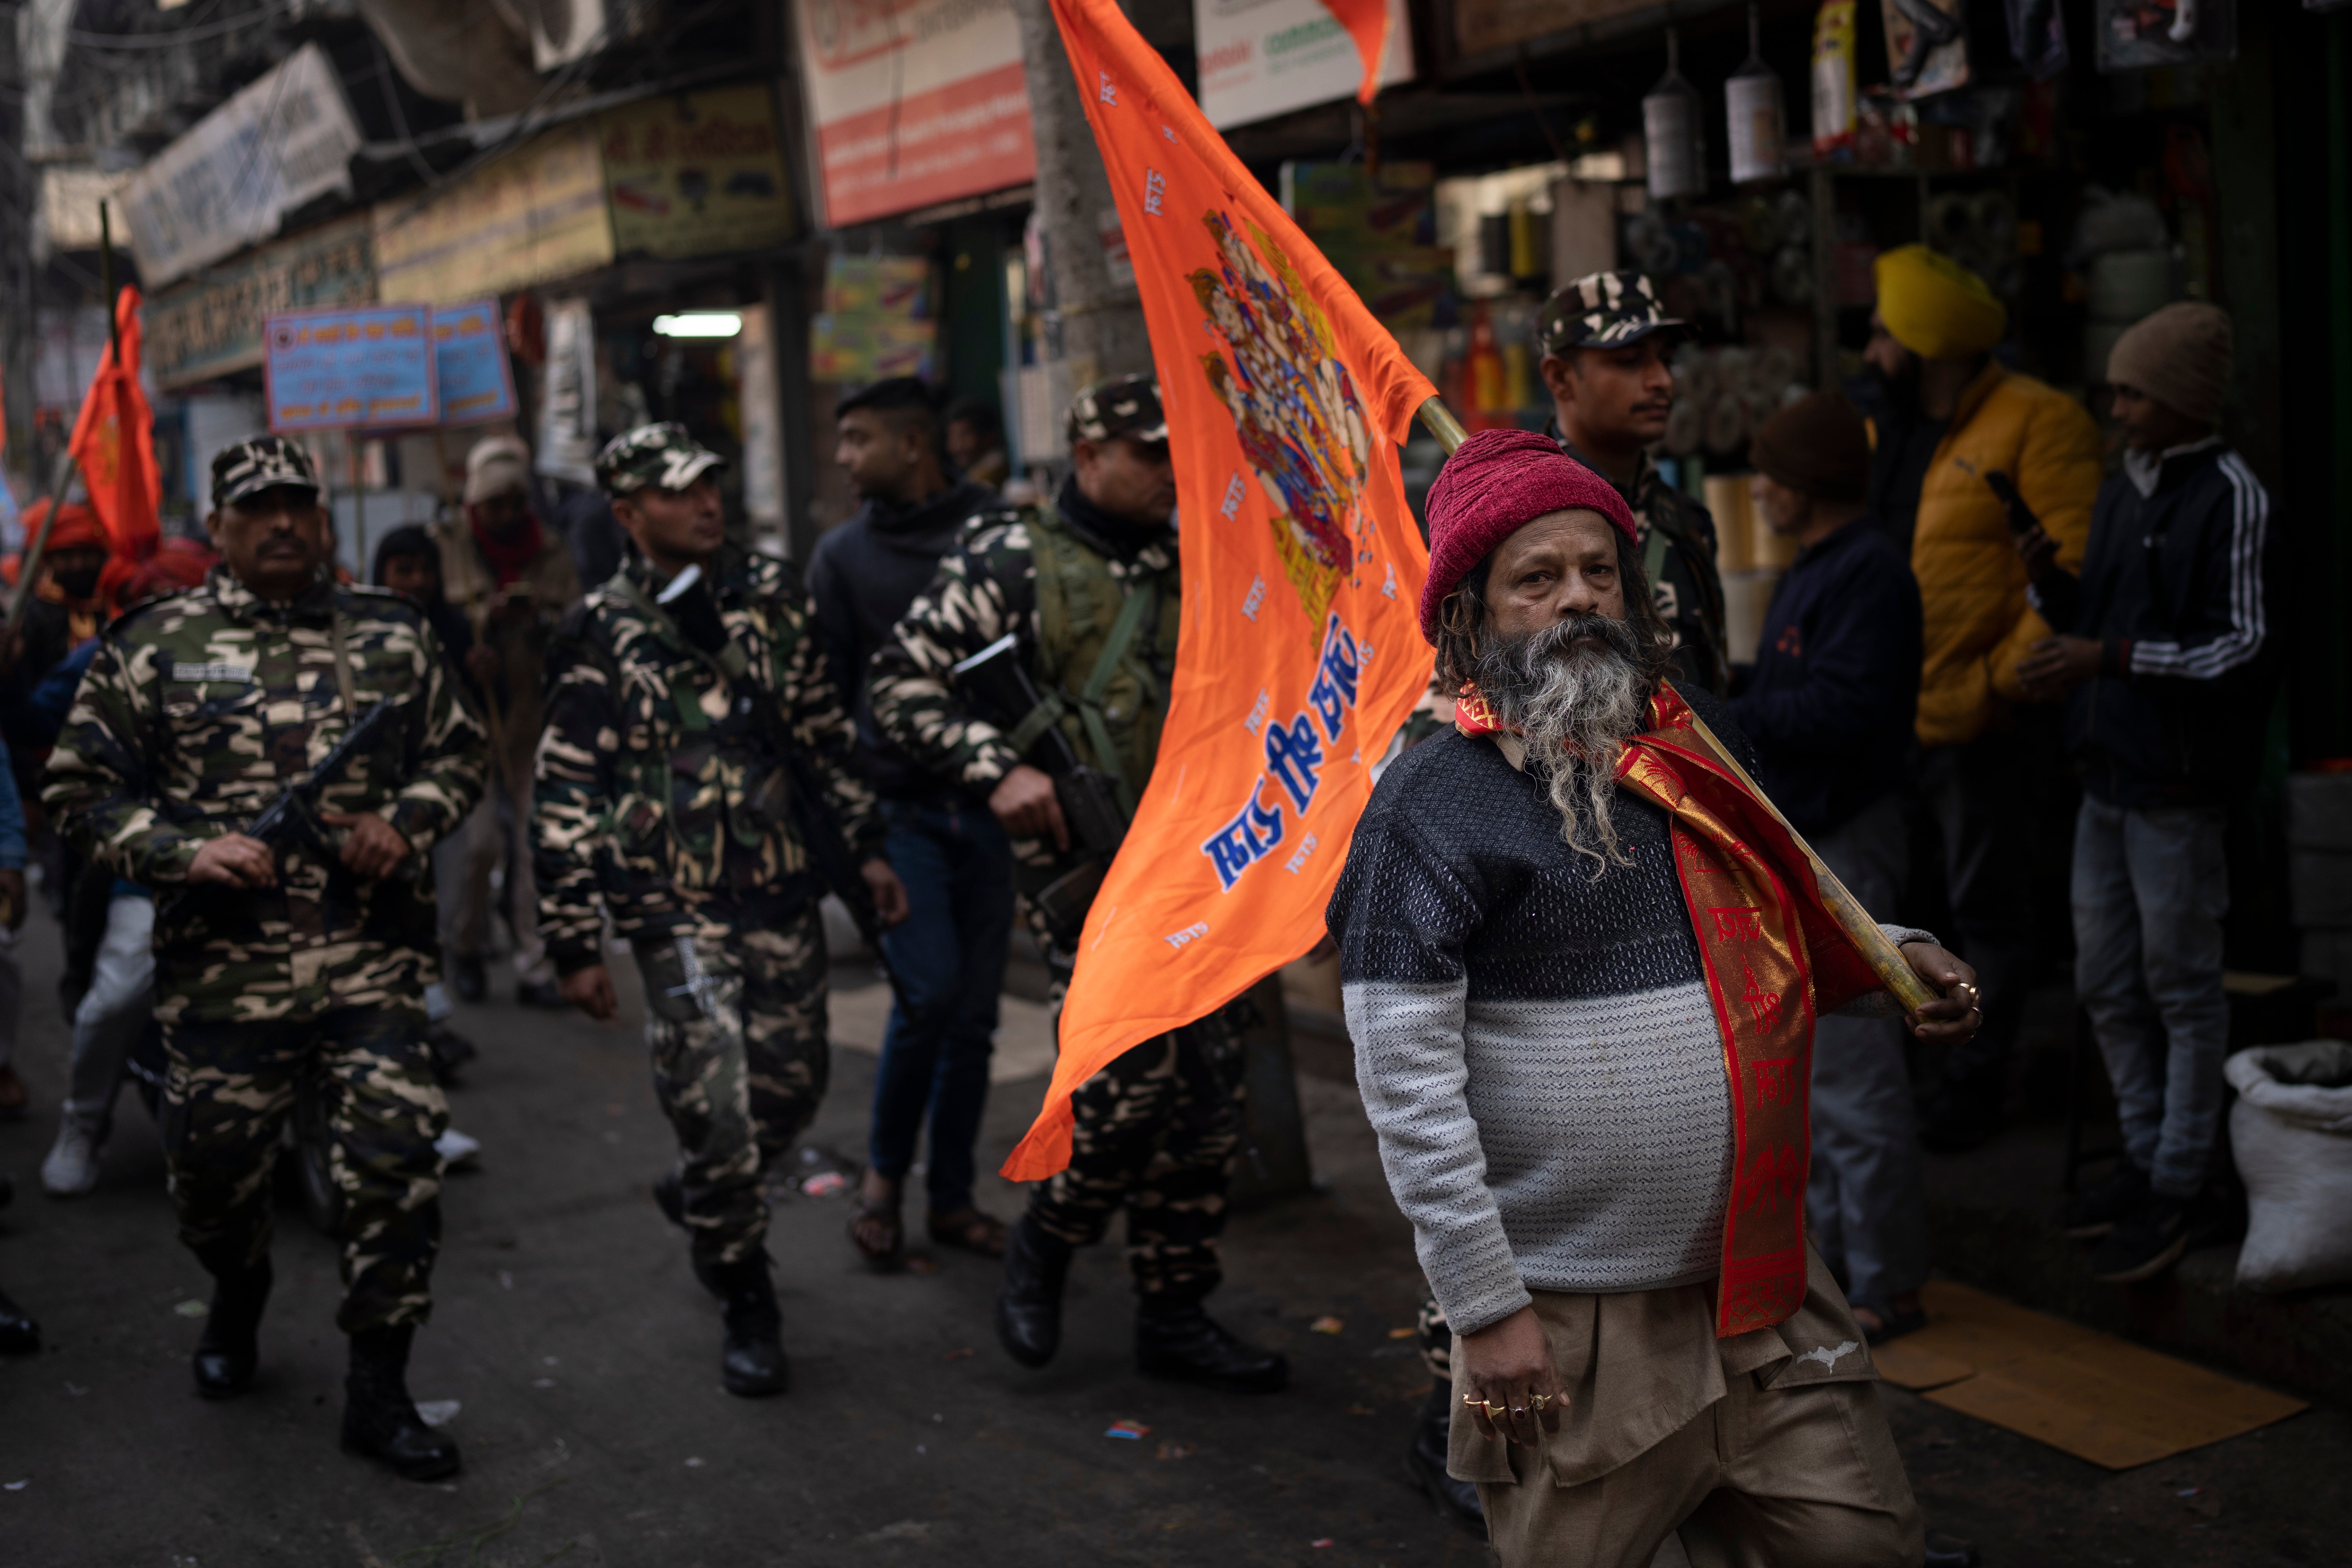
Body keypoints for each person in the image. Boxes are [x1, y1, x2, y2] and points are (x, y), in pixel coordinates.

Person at [1331, 428, 1983, 1567]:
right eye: (1536, 579)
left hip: (1766, 1288)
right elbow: (1407, 1088)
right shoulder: (1427, 806)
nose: (1577, 599)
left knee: (1868, 1547)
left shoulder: (1686, 747)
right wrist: (1488, 1311)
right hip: (1571, 1328)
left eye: (1597, 570)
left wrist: (1894, 959)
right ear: (1474, 616)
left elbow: (1781, 917)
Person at [43, 436, 486, 1480]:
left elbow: (460, 753)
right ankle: (236, 1291)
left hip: (369, 963)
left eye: (299, 505)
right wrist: (183, 849)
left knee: (394, 1170)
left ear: (324, 519)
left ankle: (378, 1388)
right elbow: (77, 790)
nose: (283, 522)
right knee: (213, 1184)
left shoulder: (394, 633)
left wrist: (406, 821)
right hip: (223, 976)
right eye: (258, 509)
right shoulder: (154, 643)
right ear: (222, 527)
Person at [870, 375, 1288, 1394]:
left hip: (1202, 867)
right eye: (1145, 455)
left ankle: (1174, 1309)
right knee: (1120, 1094)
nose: (1162, 474)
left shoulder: (1199, 559)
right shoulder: (1011, 558)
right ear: (1086, 454)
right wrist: (995, 765)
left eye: (1169, 455)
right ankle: (1046, 1239)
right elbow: (896, 681)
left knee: (1208, 1105)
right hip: (1091, 877)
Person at [534, 422, 909, 1398]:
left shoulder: (772, 596)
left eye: (709, 483)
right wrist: (574, 938)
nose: (705, 502)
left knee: (792, 1085)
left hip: (778, 884)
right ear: (628, 512)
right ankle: (744, 1286)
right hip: (673, 905)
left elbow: (824, 735)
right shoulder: (599, 630)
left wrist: (865, 850)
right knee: (715, 1102)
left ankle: (703, 1192)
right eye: (676, 492)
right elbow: (566, 788)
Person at [2012, 303, 2274, 1284]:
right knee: (2105, 984)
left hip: (2172, 787)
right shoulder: (2124, 488)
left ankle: (2179, 1178)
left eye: (2130, 392)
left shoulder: (2230, 497)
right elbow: (2104, 616)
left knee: (2178, 985)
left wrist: (2102, 656)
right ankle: (2141, 1158)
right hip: (2106, 777)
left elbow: (2241, 647)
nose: (2114, 409)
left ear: (2176, 399)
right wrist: (2051, 589)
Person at [1858, 244, 2104, 1151]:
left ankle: (1976, 1079)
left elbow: (2069, 573)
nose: (1871, 348)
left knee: (1986, 909)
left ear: (1929, 344)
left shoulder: (2040, 420)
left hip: (1982, 723)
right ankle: (1925, 1072)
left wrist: (2003, 679)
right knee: (1909, 905)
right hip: (1894, 722)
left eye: (1886, 332)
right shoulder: (1888, 429)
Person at [1731, 392, 1930, 1342]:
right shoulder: (1823, 566)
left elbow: (1844, 710)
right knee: (1823, 1071)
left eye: (1768, 473)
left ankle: (1886, 1282)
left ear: (1802, 487)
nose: (1758, 490)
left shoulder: (1871, 574)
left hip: (1850, 837)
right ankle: (1844, 1267)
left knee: (1858, 1064)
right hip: (1811, 838)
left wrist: (1737, 718)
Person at [808, 378, 1012, 1266]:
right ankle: (884, 1179)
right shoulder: (841, 557)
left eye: (858, 440)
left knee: (973, 1019)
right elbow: (823, 712)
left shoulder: (999, 532)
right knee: (924, 994)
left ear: (913, 446)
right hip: (900, 816)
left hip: (997, 810)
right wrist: (857, 850)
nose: (847, 459)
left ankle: (953, 1199)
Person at [432, 435, 580, 1008]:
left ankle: (535, 961)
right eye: (495, 504)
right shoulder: (448, 545)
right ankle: (467, 945)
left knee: (536, 840)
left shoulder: (551, 550)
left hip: (532, 716)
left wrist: (536, 613)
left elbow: (574, 617)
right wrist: (480, 622)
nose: (507, 515)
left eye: (515, 502)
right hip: (469, 721)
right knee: (480, 847)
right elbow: (434, 616)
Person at [1537, 270, 1729, 696]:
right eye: (1629, 361)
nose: (1661, 379)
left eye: (1665, 358)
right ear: (1561, 378)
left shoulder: (1684, 520)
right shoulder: (1520, 523)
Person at [375, 525, 485, 1084]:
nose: (416, 582)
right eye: (403, 570)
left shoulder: (454, 629)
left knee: (440, 910)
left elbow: (470, 733)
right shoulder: (365, 633)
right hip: (383, 807)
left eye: (425, 570)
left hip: (439, 804)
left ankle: (431, 1021)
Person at [944, 396, 1011, 491]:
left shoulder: (994, 476)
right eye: (952, 437)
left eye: (964, 436)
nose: (956, 447)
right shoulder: (973, 476)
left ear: (989, 436)